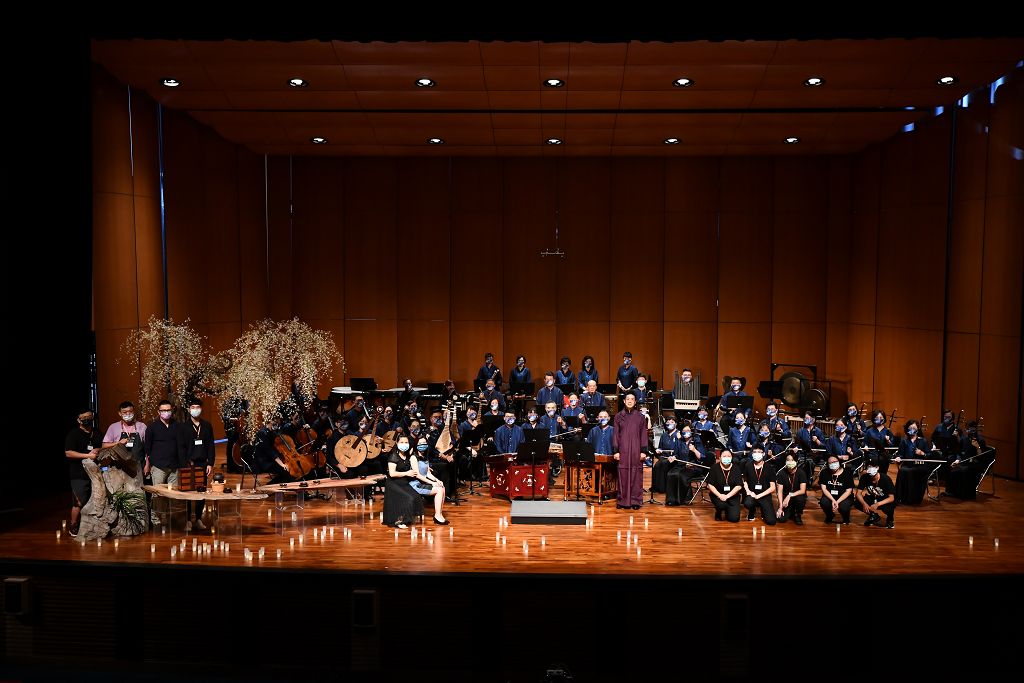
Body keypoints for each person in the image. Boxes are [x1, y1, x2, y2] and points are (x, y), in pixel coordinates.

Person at [179, 398, 215, 531]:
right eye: (193, 407)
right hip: (188, 464)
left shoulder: (207, 425)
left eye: (197, 407)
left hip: (202, 463)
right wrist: (184, 463)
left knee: (201, 492)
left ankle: (199, 518)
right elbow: (181, 447)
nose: (195, 410)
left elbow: (211, 445)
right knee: (188, 492)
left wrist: (210, 463)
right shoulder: (184, 427)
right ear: (189, 409)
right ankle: (188, 520)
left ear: (201, 409)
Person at [64, 409, 100, 537]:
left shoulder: (96, 432)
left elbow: (101, 446)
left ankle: (93, 526)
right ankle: (73, 525)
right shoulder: (73, 434)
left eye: (89, 417)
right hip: (78, 473)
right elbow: (68, 453)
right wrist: (87, 455)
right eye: (84, 418)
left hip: (95, 473)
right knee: (78, 502)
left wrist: (98, 449)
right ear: (78, 420)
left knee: (95, 500)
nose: (87, 420)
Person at [382, 435, 425, 529]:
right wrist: (407, 473)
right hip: (393, 483)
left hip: (404, 482)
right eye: (401, 442)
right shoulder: (394, 456)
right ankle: (399, 520)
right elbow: (392, 473)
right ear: (397, 443)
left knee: (415, 496)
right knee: (408, 498)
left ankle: (407, 518)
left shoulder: (408, 456)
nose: (404, 444)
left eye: (406, 442)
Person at [613, 392, 647, 510]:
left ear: (635, 402)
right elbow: (616, 434)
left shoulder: (640, 417)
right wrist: (616, 450)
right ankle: (622, 500)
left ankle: (635, 500)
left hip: (636, 450)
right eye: (628, 399)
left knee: (636, 475)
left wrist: (643, 451)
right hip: (623, 450)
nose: (630, 401)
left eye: (632, 399)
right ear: (624, 401)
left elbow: (643, 434)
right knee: (622, 474)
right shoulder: (618, 416)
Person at [943, 421, 993, 500]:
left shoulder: (981, 440)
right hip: (965, 462)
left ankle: (964, 494)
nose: (972, 431)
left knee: (964, 470)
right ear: (966, 430)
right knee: (951, 468)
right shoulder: (964, 439)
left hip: (976, 463)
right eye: (969, 429)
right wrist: (957, 460)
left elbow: (982, 457)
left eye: (973, 429)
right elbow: (959, 453)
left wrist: (977, 447)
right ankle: (951, 492)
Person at [144, 399, 182, 495]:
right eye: (163, 410)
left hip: (174, 466)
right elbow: (147, 448)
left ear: (172, 411)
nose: (166, 412)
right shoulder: (152, 427)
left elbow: (181, 445)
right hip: (158, 467)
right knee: (158, 494)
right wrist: (147, 465)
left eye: (168, 410)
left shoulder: (177, 426)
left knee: (174, 494)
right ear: (158, 412)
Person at [665, 423, 708, 506]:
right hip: (681, 465)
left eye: (688, 430)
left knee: (681, 475)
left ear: (691, 431)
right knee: (671, 474)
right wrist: (673, 457)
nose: (686, 432)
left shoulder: (697, 441)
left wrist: (694, 450)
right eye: (684, 431)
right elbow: (676, 454)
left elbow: (702, 457)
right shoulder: (679, 441)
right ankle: (671, 500)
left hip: (694, 467)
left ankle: (684, 499)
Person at [894, 419, 933, 505]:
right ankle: (900, 498)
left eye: (914, 428)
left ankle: (913, 499)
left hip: (920, 466)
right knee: (902, 470)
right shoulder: (904, 441)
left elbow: (929, 455)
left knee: (909, 471)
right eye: (910, 428)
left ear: (918, 429)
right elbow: (900, 454)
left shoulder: (923, 441)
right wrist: (898, 458)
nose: (912, 430)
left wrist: (922, 453)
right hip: (908, 464)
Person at [742, 445, 777, 525]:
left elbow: (773, 487)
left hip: (764, 495)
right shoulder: (748, 466)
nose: (756, 454)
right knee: (748, 503)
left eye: (759, 452)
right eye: (754, 452)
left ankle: (763, 510)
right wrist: (748, 492)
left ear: (763, 454)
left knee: (771, 521)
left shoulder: (769, 467)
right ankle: (752, 511)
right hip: (752, 494)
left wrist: (758, 496)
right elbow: (745, 481)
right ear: (752, 454)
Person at [856, 462, 896, 528]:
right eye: (868, 467)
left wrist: (877, 504)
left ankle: (890, 519)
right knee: (857, 502)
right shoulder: (864, 477)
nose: (869, 469)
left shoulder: (885, 478)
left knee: (889, 507)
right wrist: (864, 504)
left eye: (871, 467)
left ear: (877, 468)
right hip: (873, 497)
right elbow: (858, 493)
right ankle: (873, 515)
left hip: (884, 499)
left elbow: (891, 498)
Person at [707, 449, 743, 522]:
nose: (726, 458)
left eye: (729, 456)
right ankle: (718, 512)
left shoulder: (736, 468)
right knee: (721, 505)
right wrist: (720, 495)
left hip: (733, 496)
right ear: (720, 458)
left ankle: (728, 510)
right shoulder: (714, 468)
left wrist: (727, 496)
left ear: (732, 457)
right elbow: (710, 485)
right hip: (718, 495)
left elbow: (739, 485)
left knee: (734, 519)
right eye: (724, 456)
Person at [818, 454, 856, 524]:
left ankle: (846, 518)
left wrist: (837, 502)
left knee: (844, 506)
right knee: (824, 502)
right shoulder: (824, 472)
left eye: (835, 462)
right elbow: (824, 489)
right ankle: (830, 515)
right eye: (830, 463)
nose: (833, 464)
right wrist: (833, 500)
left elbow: (848, 491)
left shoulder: (847, 473)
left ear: (839, 461)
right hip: (830, 496)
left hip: (844, 497)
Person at [651, 415, 682, 495]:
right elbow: (660, 446)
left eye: (672, 422)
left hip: (674, 458)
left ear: (676, 424)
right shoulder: (664, 434)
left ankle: (663, 488)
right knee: (656, 466)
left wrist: (675, 456)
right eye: (668, 422)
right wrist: (658, 450)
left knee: (664, 464)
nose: (670, 424)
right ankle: (656, 487)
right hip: (664, 456)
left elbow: (681, 449)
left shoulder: (678, 434)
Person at [775, 452, 808, 525]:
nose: (790, 462)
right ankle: (791, 511)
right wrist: (780, 507)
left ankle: (798, 514)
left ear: (796, 461)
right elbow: (779, 491)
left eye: (792, 460)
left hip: (797, 496)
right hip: (785, 500)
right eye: (788, 460)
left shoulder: (801, 472)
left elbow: (802, 490)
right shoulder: (781, 473)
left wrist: (789, 495)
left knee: (800, 499)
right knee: (781, 519)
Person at [794, 411, 827, 480]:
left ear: (813, 419)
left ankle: (808, 480)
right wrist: (796, 447)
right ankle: (801, 480)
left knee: (809, 461)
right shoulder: (800, 431)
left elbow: (824, 446)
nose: (806, 420)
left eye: (808, 418)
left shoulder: (818, 431)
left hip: (815, 455)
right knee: (802, 462)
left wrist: (817, 441)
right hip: (803, 454)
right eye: (805, 418)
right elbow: (797, 444)